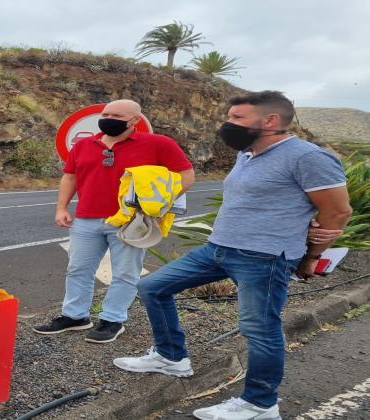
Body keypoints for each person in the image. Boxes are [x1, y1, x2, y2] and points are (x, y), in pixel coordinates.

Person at [113, 91, 352, 420]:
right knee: (152, 287)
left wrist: (311, 256)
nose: (228, 123)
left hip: (265, 257)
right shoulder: (248, 153)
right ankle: (171, 358)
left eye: (237, 118)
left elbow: (337, 211)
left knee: (259, 328)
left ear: (270, 121)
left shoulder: (307, 157)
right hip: (219, 248)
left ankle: (260, 404)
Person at [34, 99, 195, 343]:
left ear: (134, 121)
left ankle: (113, 319)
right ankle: (75, 316)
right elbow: (70, 177)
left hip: (131, 221)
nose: (108, 118)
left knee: (125, 273)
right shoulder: (84, 145)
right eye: (106, 113)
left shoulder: (159, 144)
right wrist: (61, 208)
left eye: (117, 115)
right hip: (87, 218)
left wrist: (162, 204)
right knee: (78, 269)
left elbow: (186, 174)